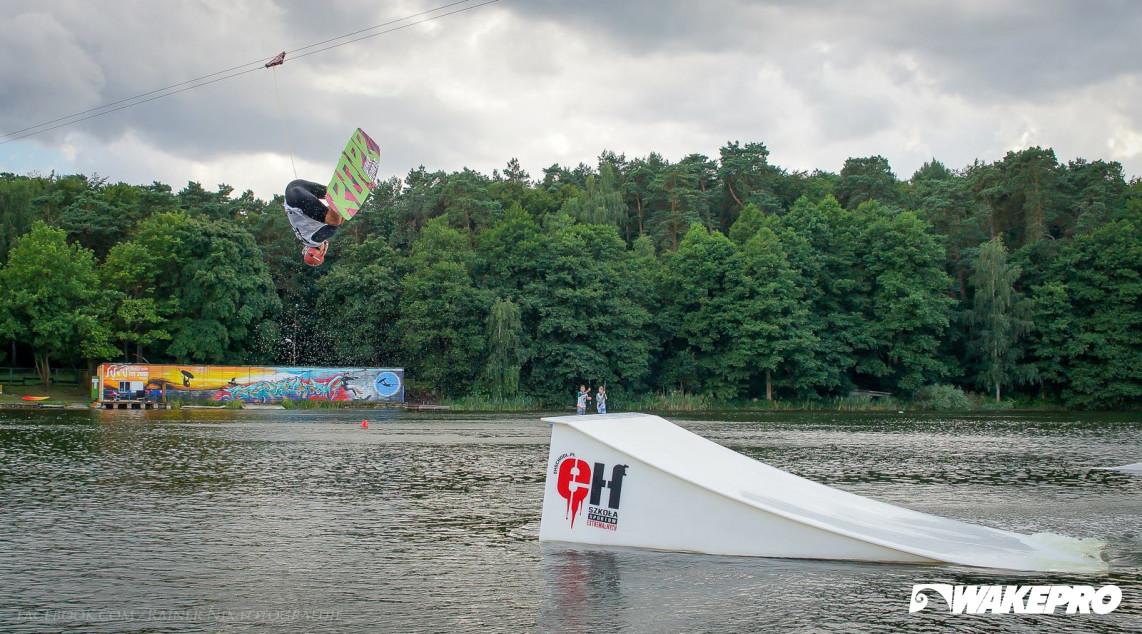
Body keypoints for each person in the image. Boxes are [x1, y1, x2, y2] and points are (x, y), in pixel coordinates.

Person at [283, 179, 344, 266]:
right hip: (293, 188)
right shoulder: (304, 238)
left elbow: (336, 225)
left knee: (334, 221)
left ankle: (337, 194)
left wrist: (345, 205)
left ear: (322, 253)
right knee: (328, 192)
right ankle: (337, 188)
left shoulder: (315, 240)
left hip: (299, 199)